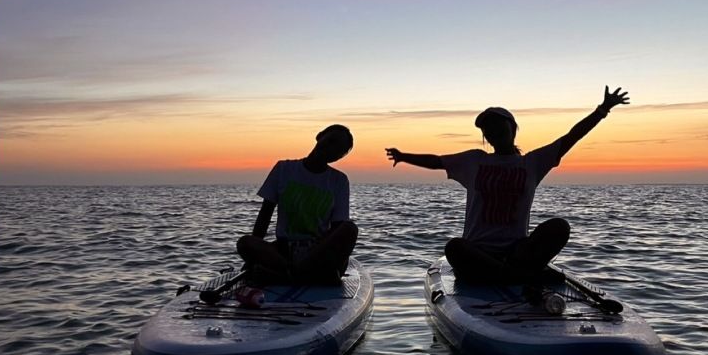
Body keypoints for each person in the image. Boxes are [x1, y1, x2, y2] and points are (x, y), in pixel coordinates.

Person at [386, 86, 629, 284]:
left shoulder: (533, 163)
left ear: (512, 128)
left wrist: (602, 110)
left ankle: (513, 273)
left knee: (559, 226)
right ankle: (517, 276)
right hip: (477, 253)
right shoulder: (474, 160)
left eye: (497, 125)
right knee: (454, 247)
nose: (492, 131)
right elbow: (437, 161)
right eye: (487, 128)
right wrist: (404, 156)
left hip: (517, 253)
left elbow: (571, 137)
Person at [237, 124, 358, 284]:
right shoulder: (284, 169)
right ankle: (299, 274)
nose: (330, 148)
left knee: (350, 228)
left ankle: (286, 275)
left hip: (318, 252)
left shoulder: (339, 180)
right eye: (330, 141)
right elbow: (265, 214)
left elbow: (338, 227)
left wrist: (320, 253)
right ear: (319, 136)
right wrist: (253, 255)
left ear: (339, 157)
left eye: (338, 149)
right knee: (245, 243)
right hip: (284, 251)